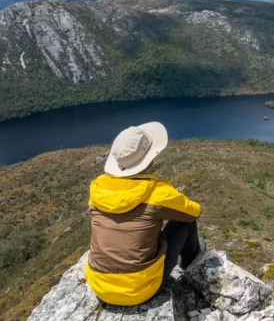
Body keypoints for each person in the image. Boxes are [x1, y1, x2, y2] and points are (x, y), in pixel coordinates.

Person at [85, 122, 204, 306]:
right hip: (141, 289)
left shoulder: (98, 190)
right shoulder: (158, 192)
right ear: (149, 157)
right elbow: (194, 212)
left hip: (100, 286)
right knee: (185, 223)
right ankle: (192, 265)